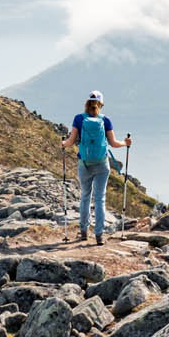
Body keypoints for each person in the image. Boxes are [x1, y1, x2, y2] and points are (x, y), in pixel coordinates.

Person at [62, 89, 130, 245]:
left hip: (84, 163)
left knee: (85, 196)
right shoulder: (105, 120)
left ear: (87, 103)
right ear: (101, 104)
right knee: (100, 199)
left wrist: (63, 144)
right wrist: (125, 143)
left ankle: (84, 232)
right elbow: (113, 143)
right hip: (101, 163)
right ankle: (99, 236)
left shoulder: (79, 119)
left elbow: (70, 142)